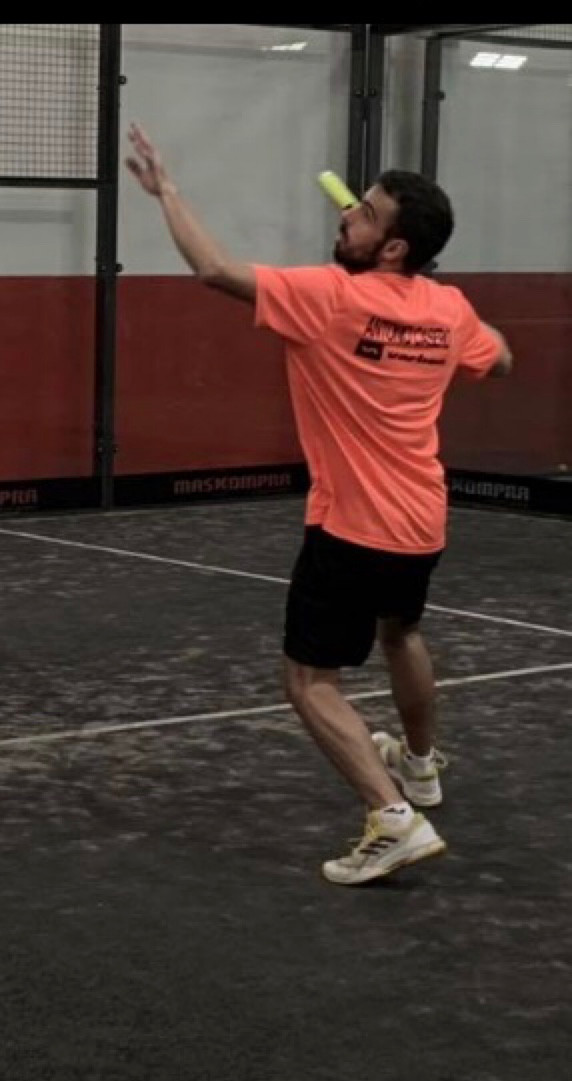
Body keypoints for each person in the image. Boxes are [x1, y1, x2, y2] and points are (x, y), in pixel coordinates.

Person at [126, 123, 512, 886]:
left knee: (309, 681)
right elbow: (498, 358)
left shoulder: (329, 298)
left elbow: (213, 269)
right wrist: (443, 314)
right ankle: (420, 767)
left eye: (363, 213)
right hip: (421, 520)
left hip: (352, 526)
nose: (346, 215)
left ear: (393, 247)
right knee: (401, 631)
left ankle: (392, 817)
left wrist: (166, 190)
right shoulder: (448, 308)